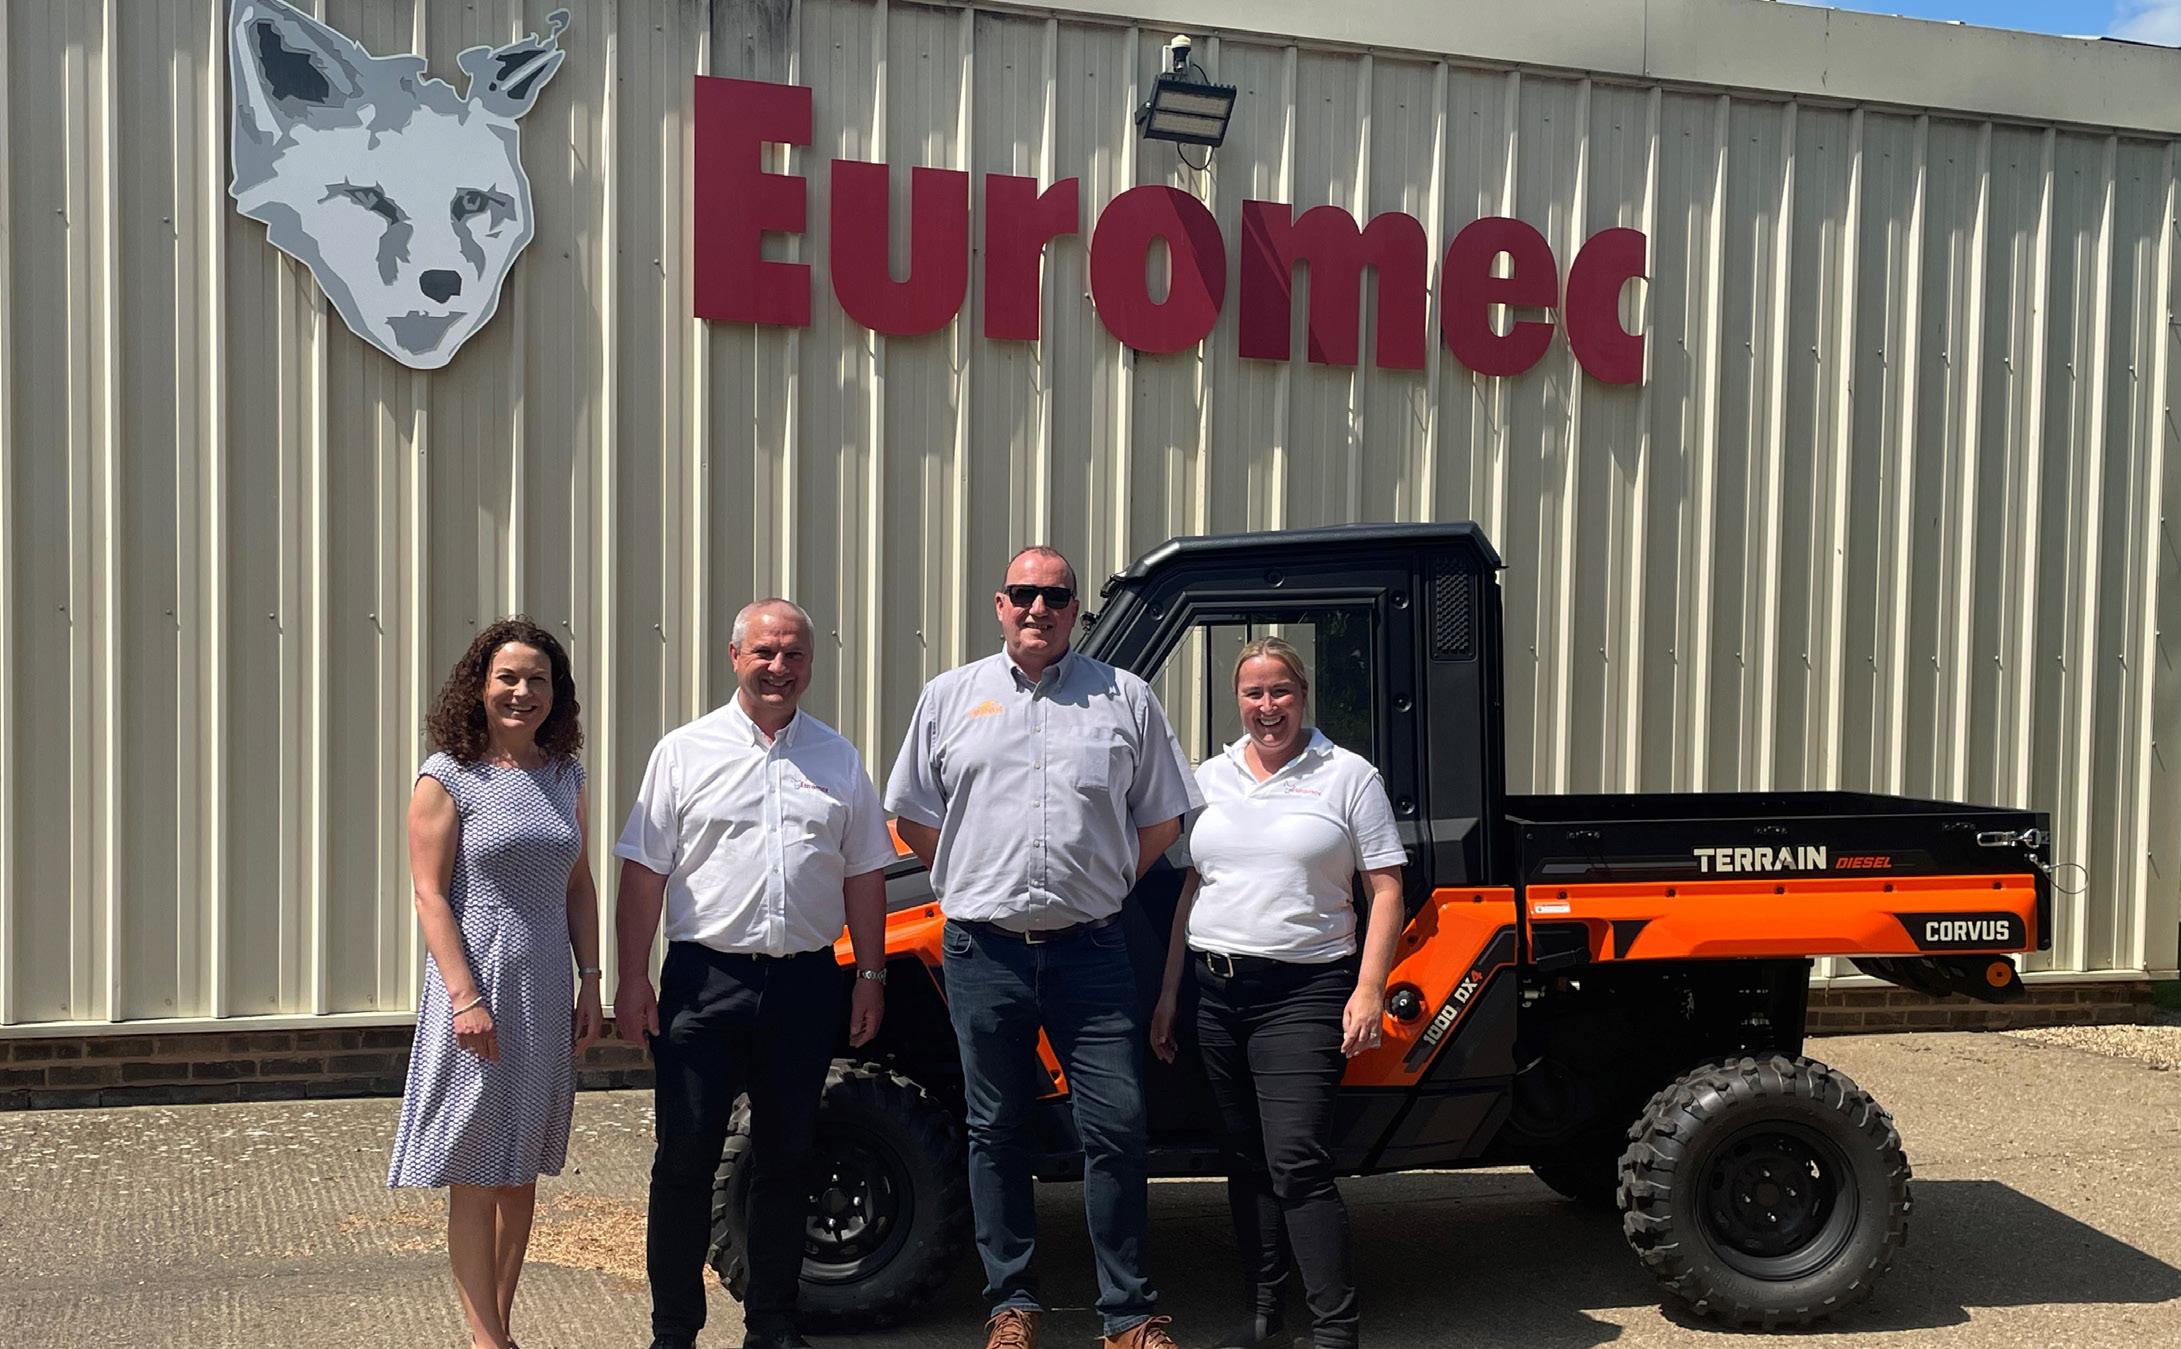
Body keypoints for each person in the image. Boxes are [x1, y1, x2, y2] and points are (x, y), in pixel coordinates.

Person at [886, 546, 1201, 1349]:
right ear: (1000, 603)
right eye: (1023, 593)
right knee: (995, 1130)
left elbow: (1162, 817)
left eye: (1054, 596)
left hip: (1091, 951)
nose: (1038, 608)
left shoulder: (1123, 697)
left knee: (1116, 1126)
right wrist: (968, 875)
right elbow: (914, 814)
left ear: (1072, 608)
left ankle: (1127, 1314)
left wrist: (1105, 883)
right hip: (982, 951)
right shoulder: (950, 696)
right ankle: (1010, 1304)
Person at [613, 599, 896, 1349]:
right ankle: (674, 1330)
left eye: (794, 654)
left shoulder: (838, 758)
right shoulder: (684, 753)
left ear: (811, 663)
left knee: (787, 1157)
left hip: (805, 983)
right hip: (705, 984)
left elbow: (865, 872)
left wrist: (870, 973)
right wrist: (632, 978)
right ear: (734, 656)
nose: (779, 667)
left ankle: (772, 1323)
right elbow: (643, 871)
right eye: (765, 652)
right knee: (685, 1160)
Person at [1149, 637, 1407, 1349]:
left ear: (1302, 696)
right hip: (1214, 992)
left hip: (1304, 993)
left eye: (1281, 691)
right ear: (1238, 699)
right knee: (1245, 1160)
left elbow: (1385, 888)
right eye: (1254, 692)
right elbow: (1192, 887)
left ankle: (1335, 1332)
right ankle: (1264, 1317)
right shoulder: (1210, 776)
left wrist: (1369, 989)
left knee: (1296, 1163)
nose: (1268, 706)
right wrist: (1169, 993)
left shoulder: (1347, 775)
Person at [389, 617, 604, 1349]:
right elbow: (429, 894)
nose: (522, 691)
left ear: (556, 692)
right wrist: (464, 998)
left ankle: (501, 1327)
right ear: (479, 686)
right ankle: (488, 1340)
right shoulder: (447, 774)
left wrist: (592, 980)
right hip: (478, 983)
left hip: (545, 984)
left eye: (537, 679)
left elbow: (578, 883)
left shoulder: (566, 774)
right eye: (507, 677)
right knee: (477, 1169)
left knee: (520, 1171)